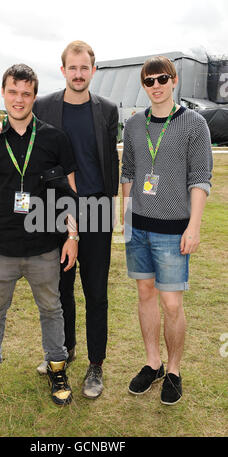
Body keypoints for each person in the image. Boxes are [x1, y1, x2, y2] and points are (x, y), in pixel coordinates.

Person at [0, 41, 119, 399]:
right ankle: (65, 351)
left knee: (96, 292)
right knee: (61, 290)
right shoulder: (43, 104)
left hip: (96, 211)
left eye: (84, 68)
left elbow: (111, 162)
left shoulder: (107, 110)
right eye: (71, 68)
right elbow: (18, 118)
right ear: (63, 71)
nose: (77, 74)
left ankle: (96, 365)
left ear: (93, 70)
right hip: (52, 212)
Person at [0, 63, 78, 408]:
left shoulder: (54, 138)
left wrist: (72, 236)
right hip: (1, 246)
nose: (19, 99)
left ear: (34, 97)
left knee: (52, 309)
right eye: (13, 92)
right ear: (3, 93)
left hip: (45, 246)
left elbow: (69, 193)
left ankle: (57, 369)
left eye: (26, 93)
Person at [121, 56, 213, 405]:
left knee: (172, 304)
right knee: (145, 296)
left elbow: (200, 178)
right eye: (149, 81)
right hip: (139, 229)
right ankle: (153, 363)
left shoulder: (194, 124)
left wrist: (194, 226)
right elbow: (127, 173)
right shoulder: (133, 125)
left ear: (174, 81)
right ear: (143, 85)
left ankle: (173, 370)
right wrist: (125, 220)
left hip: (175, 231)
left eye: (162, 79)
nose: (156, 86)